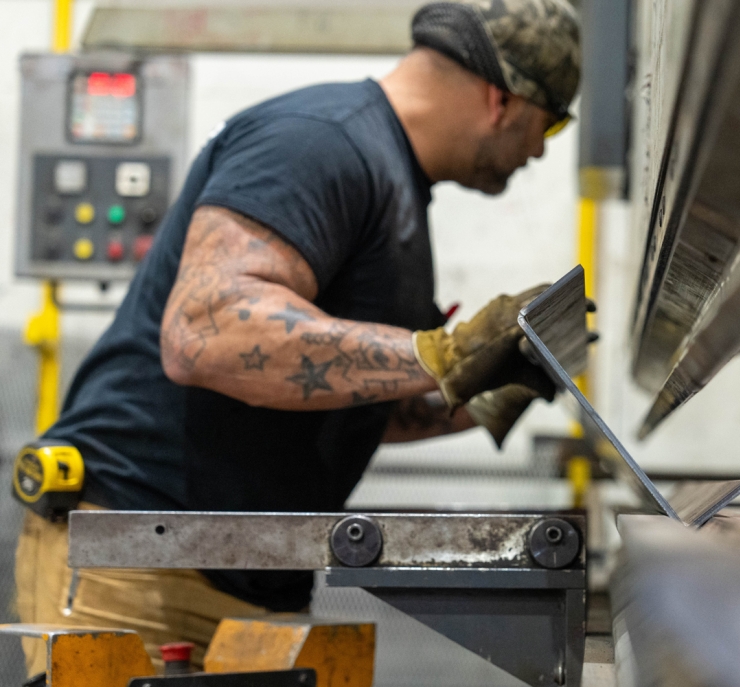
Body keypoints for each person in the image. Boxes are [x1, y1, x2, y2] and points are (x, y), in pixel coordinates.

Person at [15, 0, 580, 674]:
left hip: (250, 571)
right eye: (548, 122)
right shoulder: (321, 142)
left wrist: (486, 383)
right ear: (500, 99)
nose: (540, 149)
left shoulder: (393, 179)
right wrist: (444, 353)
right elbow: (205, 330)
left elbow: (328, 387)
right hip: (140, 565)